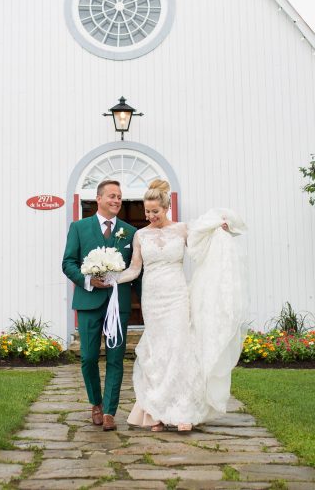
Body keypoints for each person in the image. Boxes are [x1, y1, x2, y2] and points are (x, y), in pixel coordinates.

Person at [116, 179, 247, 431]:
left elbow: (201, 246)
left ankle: (183, 412)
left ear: (166, 208)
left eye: (155, 211)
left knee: (179, 350)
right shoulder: (140, 235)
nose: (150, 216)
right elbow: (134, 269)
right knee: (157, 353)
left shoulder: (182, 230)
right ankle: (157, 414)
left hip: (176, 296)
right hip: (152, 299)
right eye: (147, 212)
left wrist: (217, 230)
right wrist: (111, 277)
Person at [61, 179, 138, 431]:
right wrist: (88, 280)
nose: (117, 201)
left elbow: (137, 269)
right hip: (88, 302)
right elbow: (68, 262)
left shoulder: (129, 232)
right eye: (112, 196)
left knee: (116, 358)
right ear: (99, 198)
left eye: (119, 197)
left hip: (118, 303)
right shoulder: (79, 228)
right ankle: (95, 403)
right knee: (89, 357)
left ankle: (109, 412)